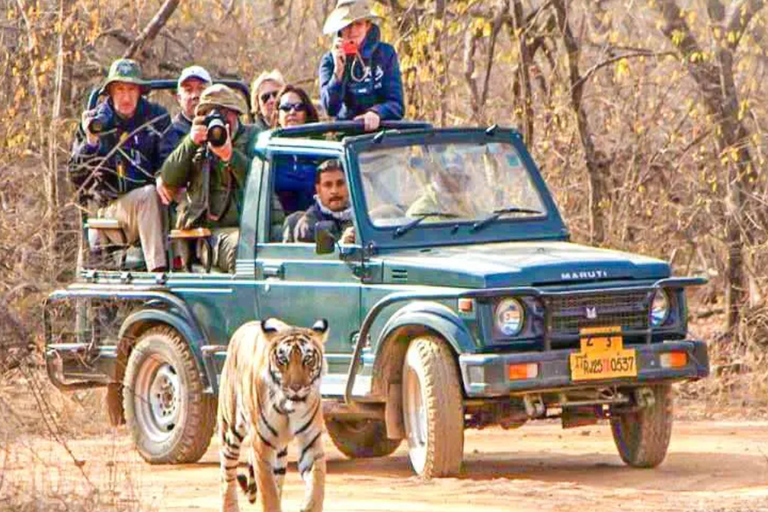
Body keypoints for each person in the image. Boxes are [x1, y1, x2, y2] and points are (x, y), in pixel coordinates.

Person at [68, 58, 170, 272]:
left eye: (131, 89)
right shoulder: (96, 122)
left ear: (140, 91)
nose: (126, 97)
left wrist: (163, 175)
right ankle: (158, 274)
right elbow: (77, 179)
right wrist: (91, 141)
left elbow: (167, 155)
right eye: (120, 89)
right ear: (111, 92)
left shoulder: (156, 118)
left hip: (155, 205)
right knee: (148, 195)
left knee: (166, 192)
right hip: (111, 211)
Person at [157, 84, 259, 272]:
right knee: (243, 249)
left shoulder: (254, 137)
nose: (219, 120)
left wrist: (231, 156)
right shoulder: (197, 144)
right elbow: (169, 178)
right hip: (210, 236)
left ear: (236, 114)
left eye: (224, 112)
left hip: (256, 226)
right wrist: (190, 143)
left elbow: (261, 181)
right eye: (211, 114)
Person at [319, 0, 404, 131]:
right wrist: (338, 73)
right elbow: (330, 108)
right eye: (347, 25)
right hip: (346, 136)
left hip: (383, 138)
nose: (352, 31)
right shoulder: (329, 60)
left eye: (358, 24)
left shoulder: (386, 54)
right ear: (340, 27)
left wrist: (376, 112)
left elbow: (397, 104)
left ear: (367, 26)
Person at [272, 85, 321, 214]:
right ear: (277, 115)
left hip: (316, 221)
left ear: (307, 113)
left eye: (298, 107)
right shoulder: (270, 150)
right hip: (278, 226)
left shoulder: (321, 149)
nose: (292, 112)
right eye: (286, 108)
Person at [284, 159, 355, 244]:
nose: (334, 191)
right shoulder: (308, 224)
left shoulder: (362, 216)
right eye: (328, 185)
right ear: (318, 189)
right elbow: (308, 256)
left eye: (340, 183)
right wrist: (342, 245)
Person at [159, 65, 212, 161]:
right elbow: (167, 171)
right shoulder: (169, 133)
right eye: (188, 90)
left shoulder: (226, 125)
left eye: (201, 89)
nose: (195, 95)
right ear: (179, 98)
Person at [406, 155, 475, 219]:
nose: (453, 182)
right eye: (447, 175)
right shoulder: (420, 211)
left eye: (458, 176)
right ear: (435, 176)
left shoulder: (470, 207)